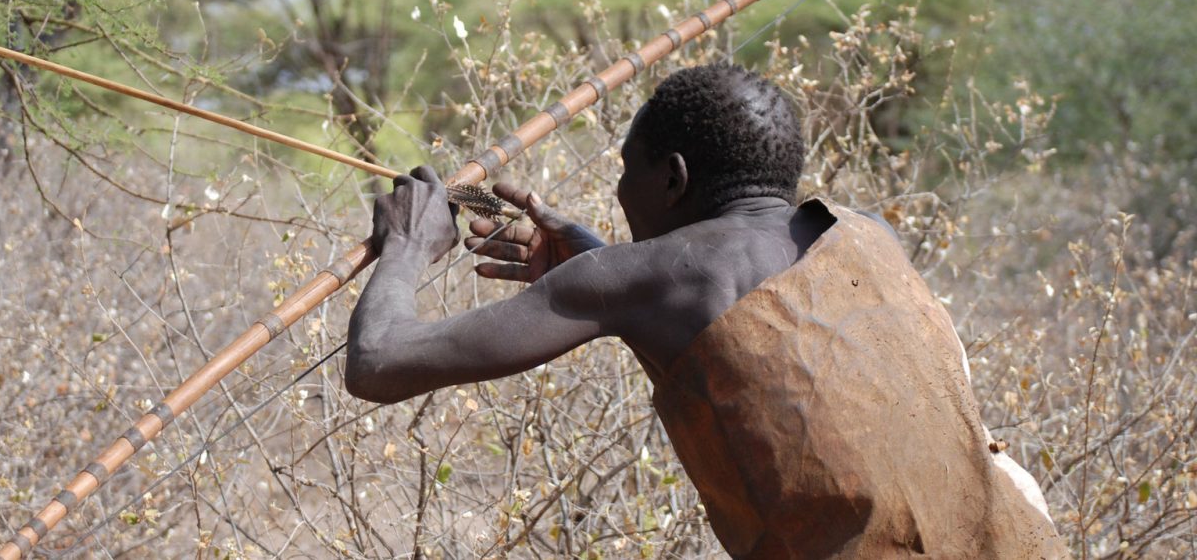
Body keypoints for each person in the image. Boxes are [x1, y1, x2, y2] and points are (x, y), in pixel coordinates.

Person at [346, 63, 1067, 558]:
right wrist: (602, 266)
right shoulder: (867, 233)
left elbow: (378, 363)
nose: (623, 193)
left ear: (672, 176)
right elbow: (736, 325)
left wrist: (409, 246)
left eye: (627, 171)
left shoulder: (645, 280)